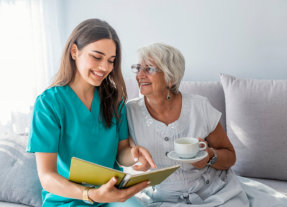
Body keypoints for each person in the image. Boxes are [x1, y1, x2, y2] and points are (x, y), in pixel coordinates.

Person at [126, 43, 287, 206]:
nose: (140, 75)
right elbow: (122, 154)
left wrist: (209, 156)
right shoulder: (129, 112)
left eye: (149, 69)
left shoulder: (199, 107)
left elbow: (230, 156)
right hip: (160, 199)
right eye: (138, 68)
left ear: (171, 78)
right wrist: (134, 159)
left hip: (213, 194)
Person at [26, 18, 156, 207]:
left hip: (111, 196)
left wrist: (135, 155)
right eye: (97, 57)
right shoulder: (49, 103)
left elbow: (121, 153)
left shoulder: (114, 99)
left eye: (111, 61)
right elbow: (47, 176)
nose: (105, 67)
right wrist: (91, 194)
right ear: (74, 52)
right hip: (67, 200)